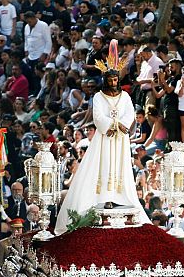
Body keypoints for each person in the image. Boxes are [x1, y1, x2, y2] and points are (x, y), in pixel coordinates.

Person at [54, 40, 147, 234]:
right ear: (106, 80)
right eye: (110, 80)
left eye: (115, 80)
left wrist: (121, 125)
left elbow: (129, 114)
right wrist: (111, 125)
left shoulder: (125, 97)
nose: (113, 82)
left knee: (119, 166)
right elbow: (98, 116)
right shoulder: (98, 97)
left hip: (120, 138)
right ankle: (104, 196)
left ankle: (119, 196)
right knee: (103, 165)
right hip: (105, 137)